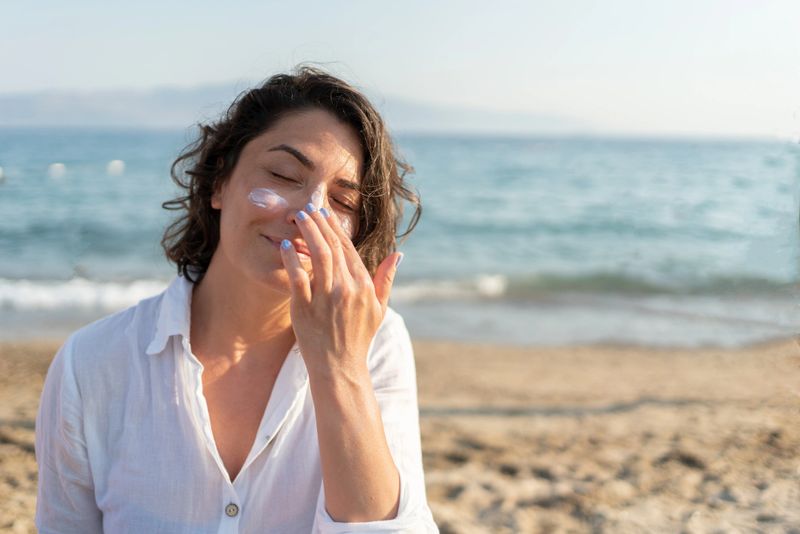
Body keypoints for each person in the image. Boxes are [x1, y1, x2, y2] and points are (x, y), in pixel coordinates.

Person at [35, 67, 439, 533]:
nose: (310, 213)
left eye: (343, 204)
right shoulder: (90, 364)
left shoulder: (379, 344)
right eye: (283, 175)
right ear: (219, 183)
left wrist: (341, 367)